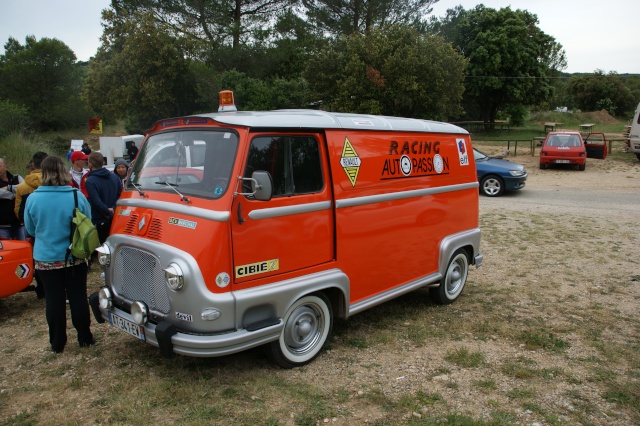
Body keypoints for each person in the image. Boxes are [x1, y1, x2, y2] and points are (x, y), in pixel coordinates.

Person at [24, 156, 95, 353]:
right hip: (74, 254)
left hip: (46, 257)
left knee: (53, 298)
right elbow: (88, 222)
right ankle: (84, 336)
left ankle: (57, 342)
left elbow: (30, 228)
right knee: (78, 296)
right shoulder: (76, 195)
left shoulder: (33, 198)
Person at [15, 152, 48, 298]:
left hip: (35, 231)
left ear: (32, 165)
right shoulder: (57, 182)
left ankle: (42, 288)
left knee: (38, 259)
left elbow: (18, 211)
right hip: (56, 228)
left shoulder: (22, 187)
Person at [85, 152, 122, 243]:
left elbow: (96, 201)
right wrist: (113, 209)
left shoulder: (90, 181)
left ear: (90, 164)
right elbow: (120, 196)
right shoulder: (115, 177)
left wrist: (107, 212)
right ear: (103, 163)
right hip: (115, 217)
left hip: (99, 219)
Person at [0, 158, 26, 240]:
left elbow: (24, 188)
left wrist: (8, 187)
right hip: (2, 225)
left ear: (6, 167)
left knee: (23, 247)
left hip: (19, 223)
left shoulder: (17, 177)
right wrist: (15, 192)